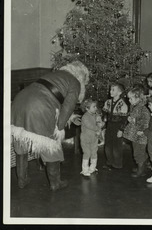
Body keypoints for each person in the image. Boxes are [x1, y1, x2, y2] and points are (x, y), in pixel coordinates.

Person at [11, 60, 89, 191]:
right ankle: (55, 183)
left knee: (21, 141)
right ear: (82, 77)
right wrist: (60, 127)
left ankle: (22, 180)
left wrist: (69, 118)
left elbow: (53, 98)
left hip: (18, 102)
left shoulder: (55, 74)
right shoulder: (75, 82)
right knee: (50, 145)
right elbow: (67, 108)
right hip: (39, 107)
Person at [123, 86, 151, 177]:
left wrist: (136, 122)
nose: (129, 100)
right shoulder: (135, 106)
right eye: (129, 98)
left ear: (138, 98)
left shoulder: (143, 109)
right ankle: (141, 166)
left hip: (140, 134)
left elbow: (146, 121)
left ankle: (141, 169)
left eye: (131, 98)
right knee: (137, 151)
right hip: (135, 134)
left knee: (139, 152)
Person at [102, 83, 128, 170]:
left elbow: (124, 119)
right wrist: (103, 120)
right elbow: (104, 113)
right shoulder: (108, 102)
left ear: (120, 92)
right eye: (110, 89)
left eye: (113, 90)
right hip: (109, 126)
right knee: (108, 144)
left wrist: (121, 130)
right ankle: (109, 161)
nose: (110, 91)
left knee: (117, 146)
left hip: (117, 126)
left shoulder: (123, 104)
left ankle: (117, 163)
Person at [80, 99, 102, 176]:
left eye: (96, 106)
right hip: (85, 138)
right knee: (87, 153)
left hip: (94, 138)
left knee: (94, 152)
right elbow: (90, 125)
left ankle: (92, 168)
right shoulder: (85, 117)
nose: (96, 108)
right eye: (94, 107)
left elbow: (100, 123)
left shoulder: (96, 115)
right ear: (87, 108)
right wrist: (98, 128)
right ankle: (85, 170)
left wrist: (99, 121)